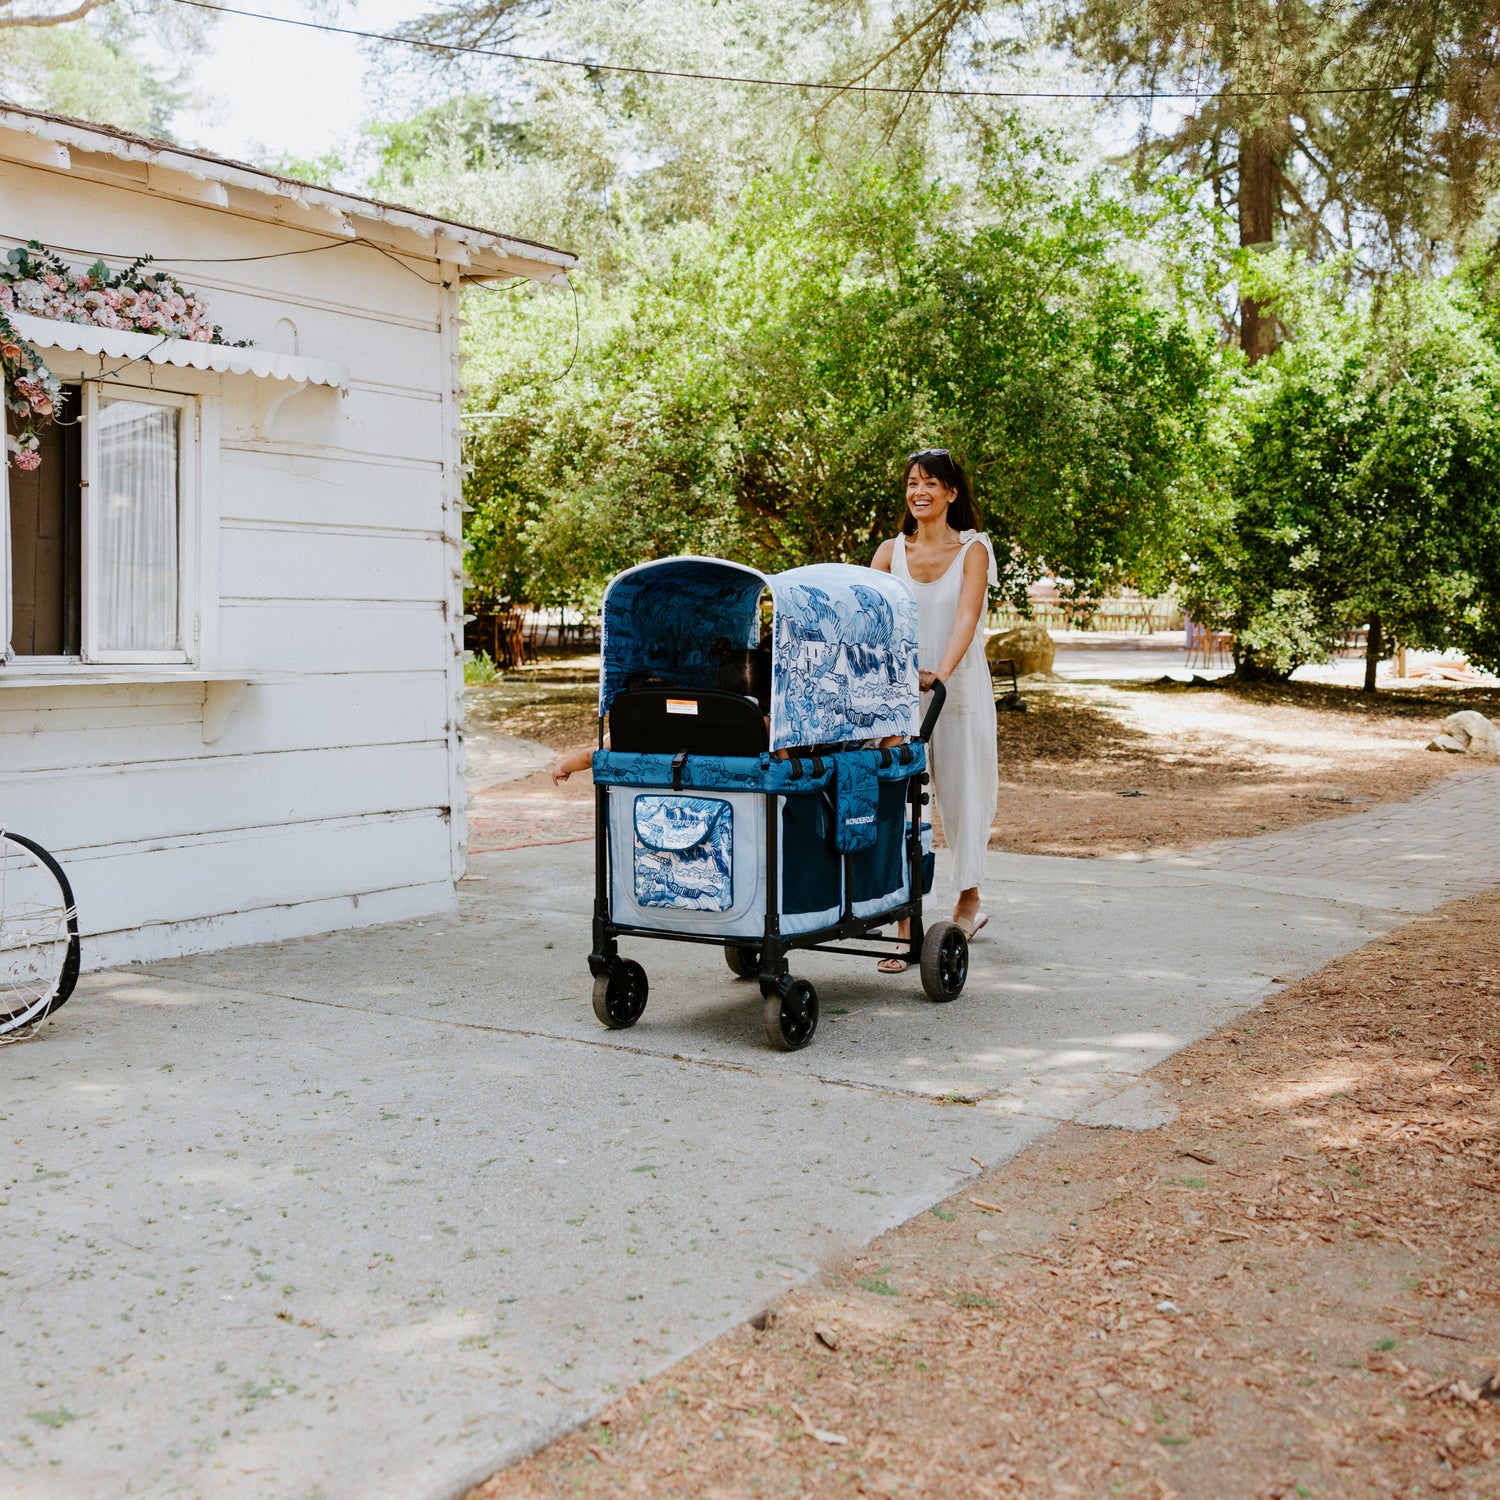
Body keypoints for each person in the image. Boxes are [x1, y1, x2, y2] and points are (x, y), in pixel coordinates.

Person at [871, 448, 998, 971]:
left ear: (951, 493)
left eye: (930, 483)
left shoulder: (974, 550)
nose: (918, 491)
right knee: (900, 804)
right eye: (911, 483)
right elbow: (866, 619)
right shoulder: (888, 552)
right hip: (894, 697)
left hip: (956, 689)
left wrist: (938, 674)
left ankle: (969, 900)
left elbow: (966, 618)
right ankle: (906, 921)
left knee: (963, 794)